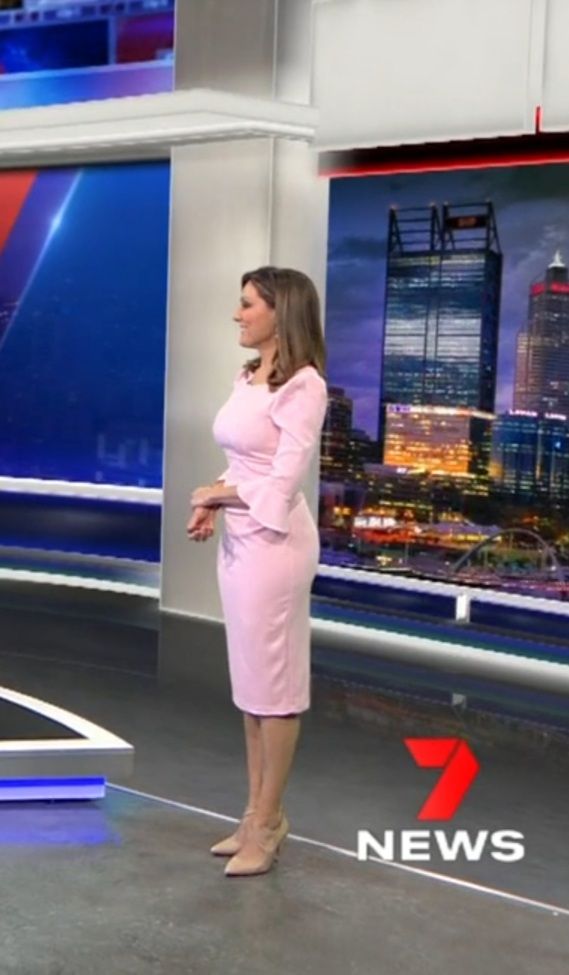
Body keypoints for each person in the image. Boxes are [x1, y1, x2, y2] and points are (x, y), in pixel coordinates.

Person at [186, 265, 328, 878]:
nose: (237, 314)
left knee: (275, 691)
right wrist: (213, 499)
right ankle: (252, 815)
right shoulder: (249, 377)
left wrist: (216, 496)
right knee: (252, 689)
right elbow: (243, 465)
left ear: (280, 311)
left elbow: (282, 482)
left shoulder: (304, 386)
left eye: (247, 304)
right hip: (242, 543)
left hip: (277, 548)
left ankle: (269, 825)